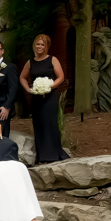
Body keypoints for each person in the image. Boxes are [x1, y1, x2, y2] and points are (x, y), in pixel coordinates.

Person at [20, 34, 69, 163]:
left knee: (50, 123)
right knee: (39, 124)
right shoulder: (30, 62)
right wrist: (28, 89)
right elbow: (22, 77)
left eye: (42, 44)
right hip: (36, 98)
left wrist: (50, 87)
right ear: (34, 46)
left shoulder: (52, 59)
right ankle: (42, 155)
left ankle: (53, 154)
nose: (40, 47)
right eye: (38, 44)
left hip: (50, 96)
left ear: (46, 47)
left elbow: (61, 77)